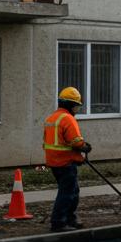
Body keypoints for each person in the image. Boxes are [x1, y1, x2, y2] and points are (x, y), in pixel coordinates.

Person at [43, 86, 91, 232]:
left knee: (72, 191)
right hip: (65, 163)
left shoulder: (51, 118)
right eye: (77, 106)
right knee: (68, 193)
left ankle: (70, 218)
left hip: (54, 162)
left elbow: (48, 142)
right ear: (71, 105)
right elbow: (76, 142)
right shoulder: (68, 119)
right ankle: (58, 222)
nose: (77, 109)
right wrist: (85, 147)